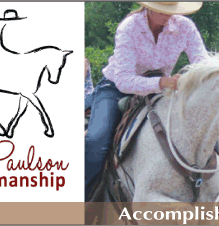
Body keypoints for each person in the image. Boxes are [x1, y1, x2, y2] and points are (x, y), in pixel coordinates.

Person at [85, 2, 208, 200]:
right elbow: (124, 79)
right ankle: (84, 203)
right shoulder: (130, 27)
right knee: (97, 140)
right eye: (163, 9)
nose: (169, 15)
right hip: (116, 88)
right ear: (149, 7)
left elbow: (202, 63)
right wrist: (162, 82)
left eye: (172, 9)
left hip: (161, 90)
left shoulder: (185, 26)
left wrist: (191, 78)